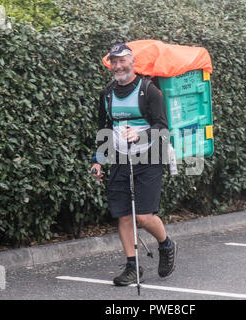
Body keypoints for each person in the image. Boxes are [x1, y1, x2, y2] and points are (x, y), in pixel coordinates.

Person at [90, 43, 177, 286]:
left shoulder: (149, 90)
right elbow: (104, 128)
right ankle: (132, 267)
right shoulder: (107, 93)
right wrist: (98, 160)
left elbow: (162, 127)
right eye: (114, 62)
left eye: (122, 61)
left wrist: (141, 135)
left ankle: (166, 245)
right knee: (123, 215)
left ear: (132, 62)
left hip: (149, 157)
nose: (118, 66)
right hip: (120, 157)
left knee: (143, 216)